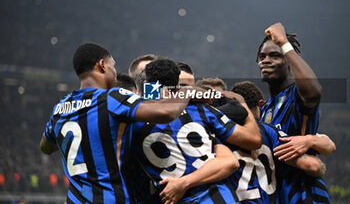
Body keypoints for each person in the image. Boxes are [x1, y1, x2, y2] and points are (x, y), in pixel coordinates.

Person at [39, 43, 197, 204]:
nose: (115, 73)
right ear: (102, 65)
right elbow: (167, 112)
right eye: (113, 66)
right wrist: (186, 91)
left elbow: (45, 147)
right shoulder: (111, 98)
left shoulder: (59, 109)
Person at [132, 58, 240, 204]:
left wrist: (183, 183)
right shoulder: (198, 108)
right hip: (218, 198)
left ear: (146, 86)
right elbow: (235, 157)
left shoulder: (131, 120)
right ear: (177, 86)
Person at [256, 22, 330, 203]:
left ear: (290, 62)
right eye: (262, 56)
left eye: (275, 55)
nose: (266, 60)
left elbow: (314, 93)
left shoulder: (295, 95)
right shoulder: (266, 108)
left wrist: (284, 43)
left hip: (304, 195)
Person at [231, 81, 335, 203]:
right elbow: (316, 164)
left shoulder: (231, 131)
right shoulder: (267, 131)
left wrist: (310, 140)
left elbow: (329, 146)